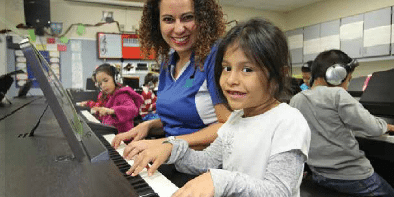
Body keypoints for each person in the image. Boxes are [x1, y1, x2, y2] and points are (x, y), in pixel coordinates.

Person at [127, 18, 311, 197]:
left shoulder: (289, 121)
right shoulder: (236, 118)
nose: (231, 80)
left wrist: (220, 181)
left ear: (280, 74)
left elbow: (278, 191)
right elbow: (208, 160)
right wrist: (170, 149)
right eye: (226, 68)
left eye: (247, 69)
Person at [111, 0, 231, 171]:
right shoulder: (169, 61)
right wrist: (148, 126)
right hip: (171, 158)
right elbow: (181, 119)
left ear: (204, 19)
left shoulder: (215, 56)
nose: (179, 28)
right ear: (157, 23)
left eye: (187, 18)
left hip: (204, 167)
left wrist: (169, 142)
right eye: (168, 19)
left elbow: (228, 126)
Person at [290, 49, 394, 196]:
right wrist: (387, 126)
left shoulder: (297, 99)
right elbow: (373, 128)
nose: (347, 85)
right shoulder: (338, 94)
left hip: (320, 175)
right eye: (349, 79)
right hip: (353, 178)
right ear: (336, 75)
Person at [79, 63, 144, 134]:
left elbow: (132, 109)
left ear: (116, 79)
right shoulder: (108, 95)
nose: (103, 85)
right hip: (110, 131)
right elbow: (104, 112)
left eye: (106, 80)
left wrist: (112, 111)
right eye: (100, 84)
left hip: (123, 136)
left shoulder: (122, 95)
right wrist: (96, 110)